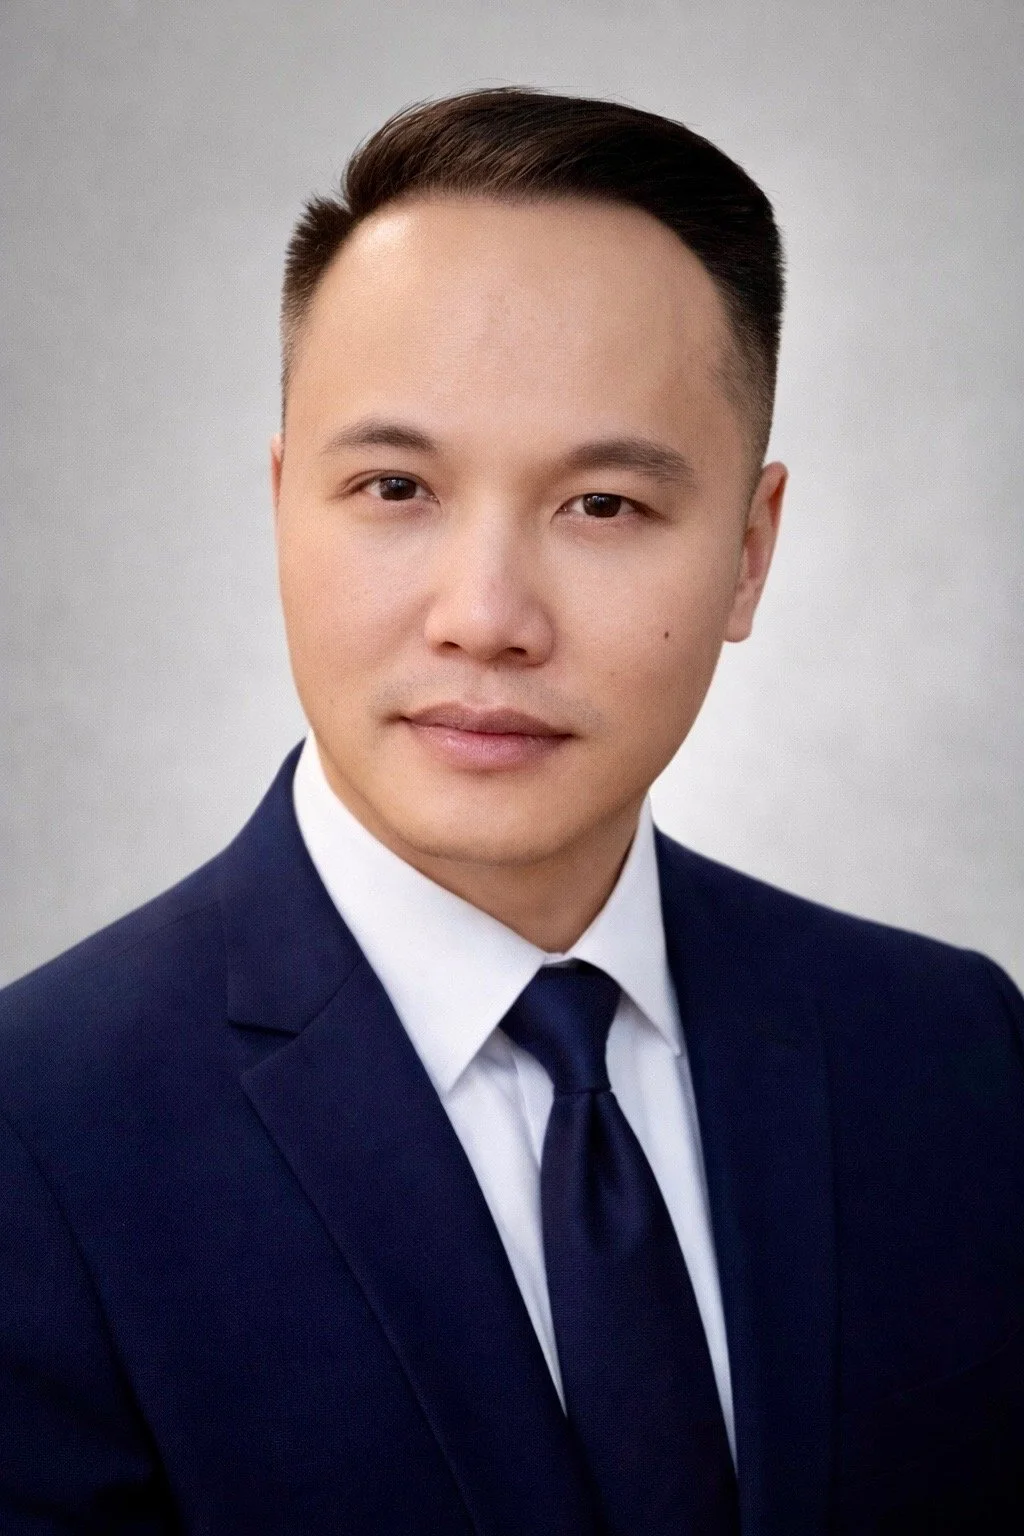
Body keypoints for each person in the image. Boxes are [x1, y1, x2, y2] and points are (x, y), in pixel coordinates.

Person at [1, 85, 1021, 1536]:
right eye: (395, 485)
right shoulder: (37, 1137)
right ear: (283, 506)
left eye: (603, 506)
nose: (485, 617)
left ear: (749, 552)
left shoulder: (955, 1052)